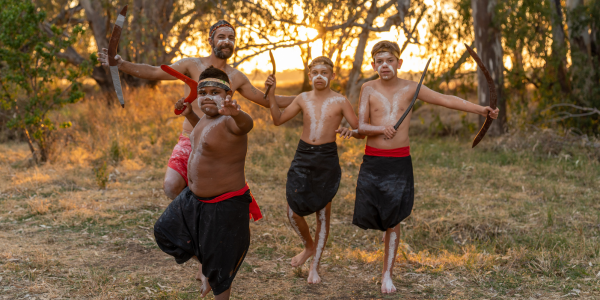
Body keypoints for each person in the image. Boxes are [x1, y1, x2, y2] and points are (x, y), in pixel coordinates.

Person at [354, 40, 500, 294]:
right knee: (375, 216)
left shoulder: (412, 88)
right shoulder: (367, 88)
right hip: (373, 161)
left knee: (394, 218)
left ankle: (387, 274)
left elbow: (446, 99)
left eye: (390, 60)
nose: (385, 65)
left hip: (399, 162)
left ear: (399, 63)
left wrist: (481, 110)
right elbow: (361, 127)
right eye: (379, 61)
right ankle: (384, 265)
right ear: (373, 64)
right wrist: (380, 128)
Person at [98, 20, 295, 199]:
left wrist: (304, 98)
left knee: (213, 193)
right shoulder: (191, 64)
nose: (227, 41)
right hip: (190, 137)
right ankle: (192, 222)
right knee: (171, 186)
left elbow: (268, 100)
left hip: (219, 143)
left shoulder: (236, 77)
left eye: (231, 38)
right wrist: (122, 64)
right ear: (211, 40)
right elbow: (154, 71)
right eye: (222, 37)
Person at [153, 66, 262, 300]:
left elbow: (246, 125)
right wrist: (189, 114)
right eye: (203, 92)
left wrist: (237, 113)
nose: (207, 96)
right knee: (165, 231)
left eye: (215, 92)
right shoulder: (203, 120)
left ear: (227, 96)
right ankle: (205, 265)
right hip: (193, 199)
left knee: (221, 273)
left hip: (224, 205)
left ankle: (211, 273)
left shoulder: (231, 122)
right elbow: (201, 133)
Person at [265, 56, 363, 283]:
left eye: (324, 72)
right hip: (303, 156)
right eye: (315, 72)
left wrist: (352, 131)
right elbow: (278, 119)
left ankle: (314, 267)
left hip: (326, 159)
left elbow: (359, 129)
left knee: (322, 214)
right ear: (309, 76)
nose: (319, 76)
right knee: (292, 212)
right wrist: (271, 94)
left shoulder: (340, 100)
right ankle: (308, 246)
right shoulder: (302, 98)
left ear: (332, 76)